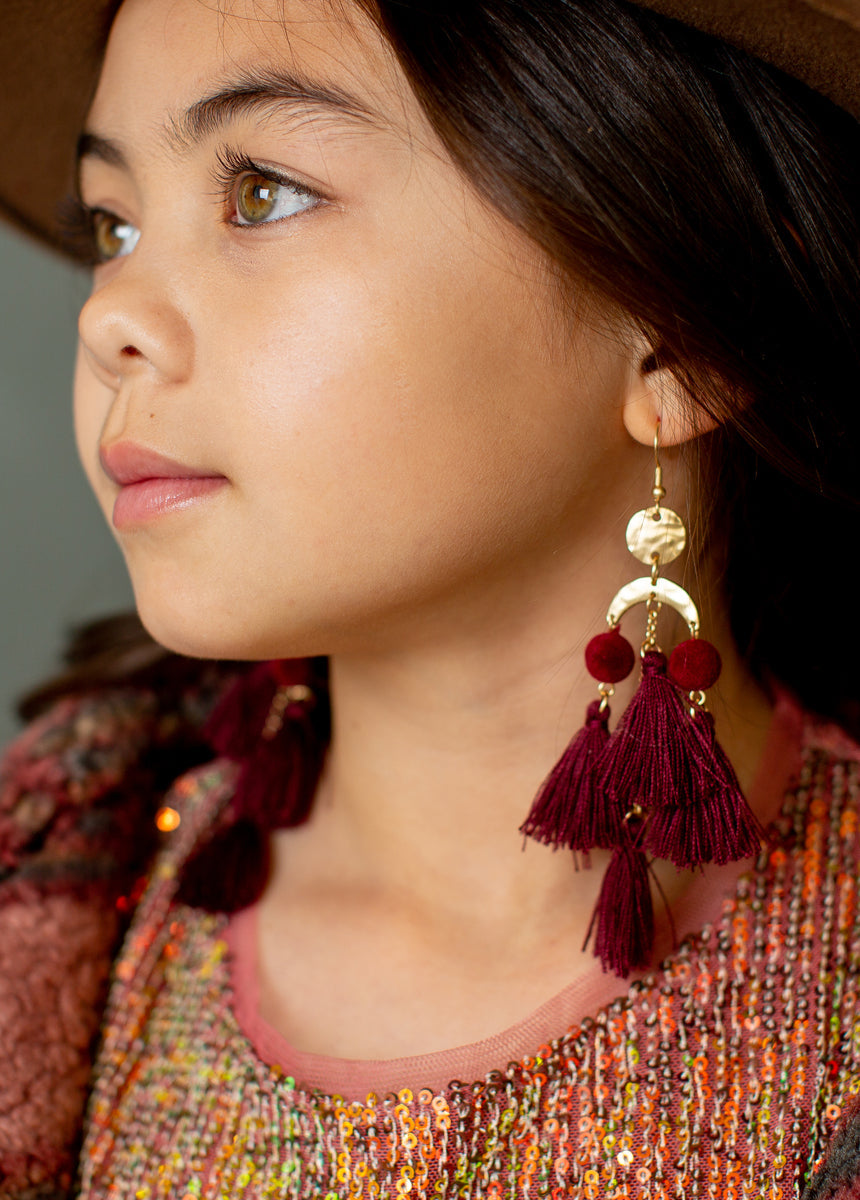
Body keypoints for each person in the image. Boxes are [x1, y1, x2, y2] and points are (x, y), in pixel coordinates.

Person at [1, 0, 860, 1195]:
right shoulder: (58, 892)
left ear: (678, 340)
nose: (110, 319)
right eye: (114, 222)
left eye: (261, 192)